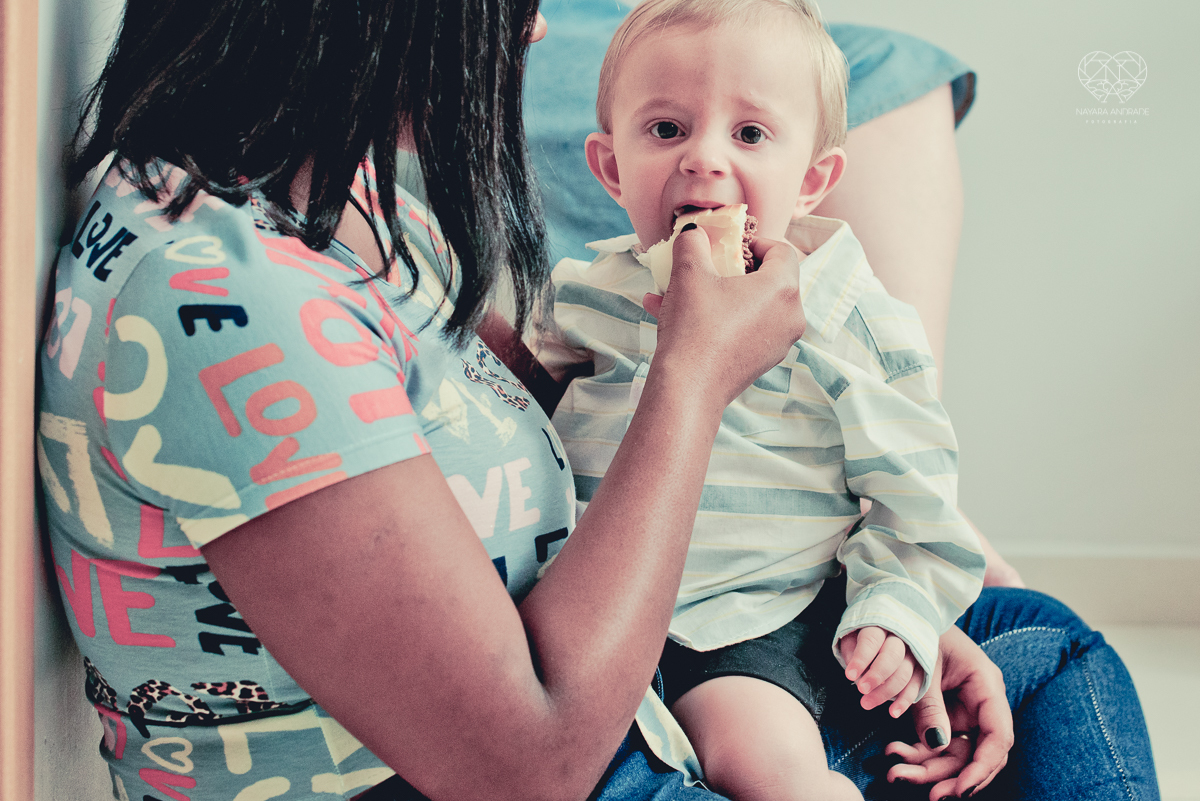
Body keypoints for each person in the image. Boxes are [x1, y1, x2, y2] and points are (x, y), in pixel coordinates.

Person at [36, 2, 1157, 801]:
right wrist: (694, 375)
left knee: (1022, 637)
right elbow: (526, 770)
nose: (526, 34)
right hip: (540, 759)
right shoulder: (227, 305)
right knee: (1043, 674)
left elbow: (510, 405)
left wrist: (890, 598)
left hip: (630, 661)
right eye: (512, 4)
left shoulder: (341, 198)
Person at [530, 1, 982, 798]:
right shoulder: (581, 297)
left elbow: (918, 501)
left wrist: (896, 609)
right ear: (610, 168)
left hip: (743, 617)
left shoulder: (847, 317)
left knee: (759, 760)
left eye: (749, 135)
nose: (704, 158)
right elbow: (513, 417)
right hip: (589, 612)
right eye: (666, 129)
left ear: (811, 182)